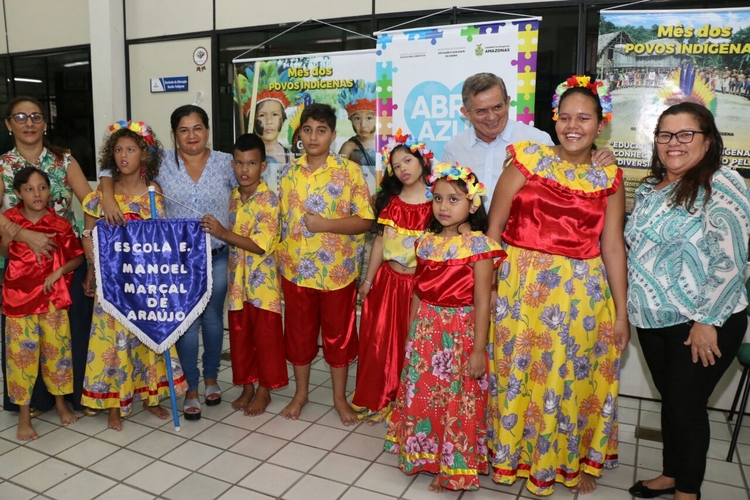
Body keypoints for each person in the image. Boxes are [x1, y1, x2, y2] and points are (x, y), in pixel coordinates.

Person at [486, 76, 629, 496]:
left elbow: (614, 247)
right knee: (518, 374)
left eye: (584, 118)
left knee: (574, 379)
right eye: (565, 117)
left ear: (601, 124)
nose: (573, 126)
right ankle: (513, 456)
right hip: (520, 289)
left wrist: (622, 313)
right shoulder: (526, 161)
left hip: (582, 295)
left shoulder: (609, 177)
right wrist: (490, 287)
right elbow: (493, 230)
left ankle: (571, 459)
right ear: (553, 120)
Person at [626, 102, 750, 500]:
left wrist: (707, 320)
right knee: (672, 403)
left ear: (708, 139)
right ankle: (670, 474)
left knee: (687, 409)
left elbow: (731, 259)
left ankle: (688, 493)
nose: (673, 144)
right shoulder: (649, 188)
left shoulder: (721, 182)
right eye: (665, 135)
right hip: (652, 320)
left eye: (685, 135)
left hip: (702, 322)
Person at [99, 105, 235, 421]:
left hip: (216, 254)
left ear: (208, 130)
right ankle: (190, 386)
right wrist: (106, 197)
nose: (192, 135)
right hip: (177, 262)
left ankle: (212, 378)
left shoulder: (225, 163)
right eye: (184, 130)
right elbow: (112, 169)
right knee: (185, 324)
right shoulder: (160, 166)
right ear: (174, 134)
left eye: (198, 128)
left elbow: (251, 175)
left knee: (213, 318)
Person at [384, 162, 505, 492]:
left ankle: (454, 464)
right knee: (424, 394)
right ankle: (426, 453)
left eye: (454, 199)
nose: (444, 206)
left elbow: (482, 303)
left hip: (461, 331)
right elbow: (418, 293)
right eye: (437, 199)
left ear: (473, 203)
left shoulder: (479, 247)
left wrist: (478, 350)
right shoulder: (425, 242)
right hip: (426, 330)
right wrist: (412, 334)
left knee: (456, 397)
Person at [80, 120, 187, 431]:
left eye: (130, 149)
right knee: (113, 342)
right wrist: (91, 259)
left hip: (144, 282)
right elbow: (87, 232)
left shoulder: (154, 193)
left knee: (146, 338)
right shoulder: (102, 196)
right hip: (112, 284)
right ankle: (115, 403)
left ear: (144, 154)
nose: (123, 155)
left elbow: (161, 238)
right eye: (117, 150)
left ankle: (150, 396)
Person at [276, 103, 374, 425]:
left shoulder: (350, 172)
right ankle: (301, 394)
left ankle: (338, 398)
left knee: (339, 338)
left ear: (333, 135)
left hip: (337, 273)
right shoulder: (288, 175)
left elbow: (365, 221)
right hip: (295, 271)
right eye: (307, 130)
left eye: (321, 130)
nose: (313, 136)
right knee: (299, 336)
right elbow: (281, 224)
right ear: (299, 134)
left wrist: (326, 225)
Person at [1, 96, 94, 417]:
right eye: (21, 117)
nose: (29, 123)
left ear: (45, 123)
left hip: (67, 262)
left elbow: (89, 202)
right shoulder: (2, 165)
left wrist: (89, 242)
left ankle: (72, 397)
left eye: (36, 116)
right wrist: (25, 234)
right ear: (9, 124)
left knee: (69, 333)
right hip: (20, 268)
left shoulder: (63, 161)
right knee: (24, 338)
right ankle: (33, 403)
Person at [201, 133, 289, 416]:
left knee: (266, 339)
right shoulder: (233, 198)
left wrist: (223, 233)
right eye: (238, 163)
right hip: (237, 284)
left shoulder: (269, 201)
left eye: (251, 163)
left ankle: (265, 390)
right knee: (241, 337)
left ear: (263, 166)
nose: (244, 170)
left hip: (263, 287)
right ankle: (247, 386)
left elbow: (260, 244)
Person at [351, 130, 433, 424]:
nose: (403, 169)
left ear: (422, 161)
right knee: (379, 343)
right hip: (387, 282)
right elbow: (380, 244)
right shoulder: (391, 202)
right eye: (396, 166)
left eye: (407, 161)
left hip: (420, 288)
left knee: (414, 343)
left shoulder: (438, 202)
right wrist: (368, 281)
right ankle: (378, 398)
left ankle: (409, 404)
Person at [443, 73, 616, 209]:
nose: (491, 117)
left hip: (519, 244)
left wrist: (596, 156)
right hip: (467, 244)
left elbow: (572, 176)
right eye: (481, 111)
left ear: (508, 102)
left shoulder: (537, 141)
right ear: (466, 113)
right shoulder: (455, 148)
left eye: (497, 107)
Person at [1, 167, 84, 439]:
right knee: (21, 360)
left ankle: (61, 403)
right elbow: (4, 252)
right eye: (29, 189)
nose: (37, 194)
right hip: (18, 301)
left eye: (42, 188)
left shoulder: (60, 224)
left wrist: (60, 271)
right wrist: (9, 238)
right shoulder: (9, 220)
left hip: (53, 302)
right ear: (17, 194)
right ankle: (24, 414)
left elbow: (78, 257)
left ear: (50, 191)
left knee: (58, 355)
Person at [338, 81, 378, 195]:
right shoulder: (349, 147)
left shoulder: (384, 143)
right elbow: (338, 176)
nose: (363, 125)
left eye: (369, 118)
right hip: (357, 199)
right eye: (357, 119)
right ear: (350, 119)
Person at [253, 94, 292, 193]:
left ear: (283, 120)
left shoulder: (290, 157)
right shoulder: (247, 156)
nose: (269, 121)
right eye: (262, 115)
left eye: (275, 115)